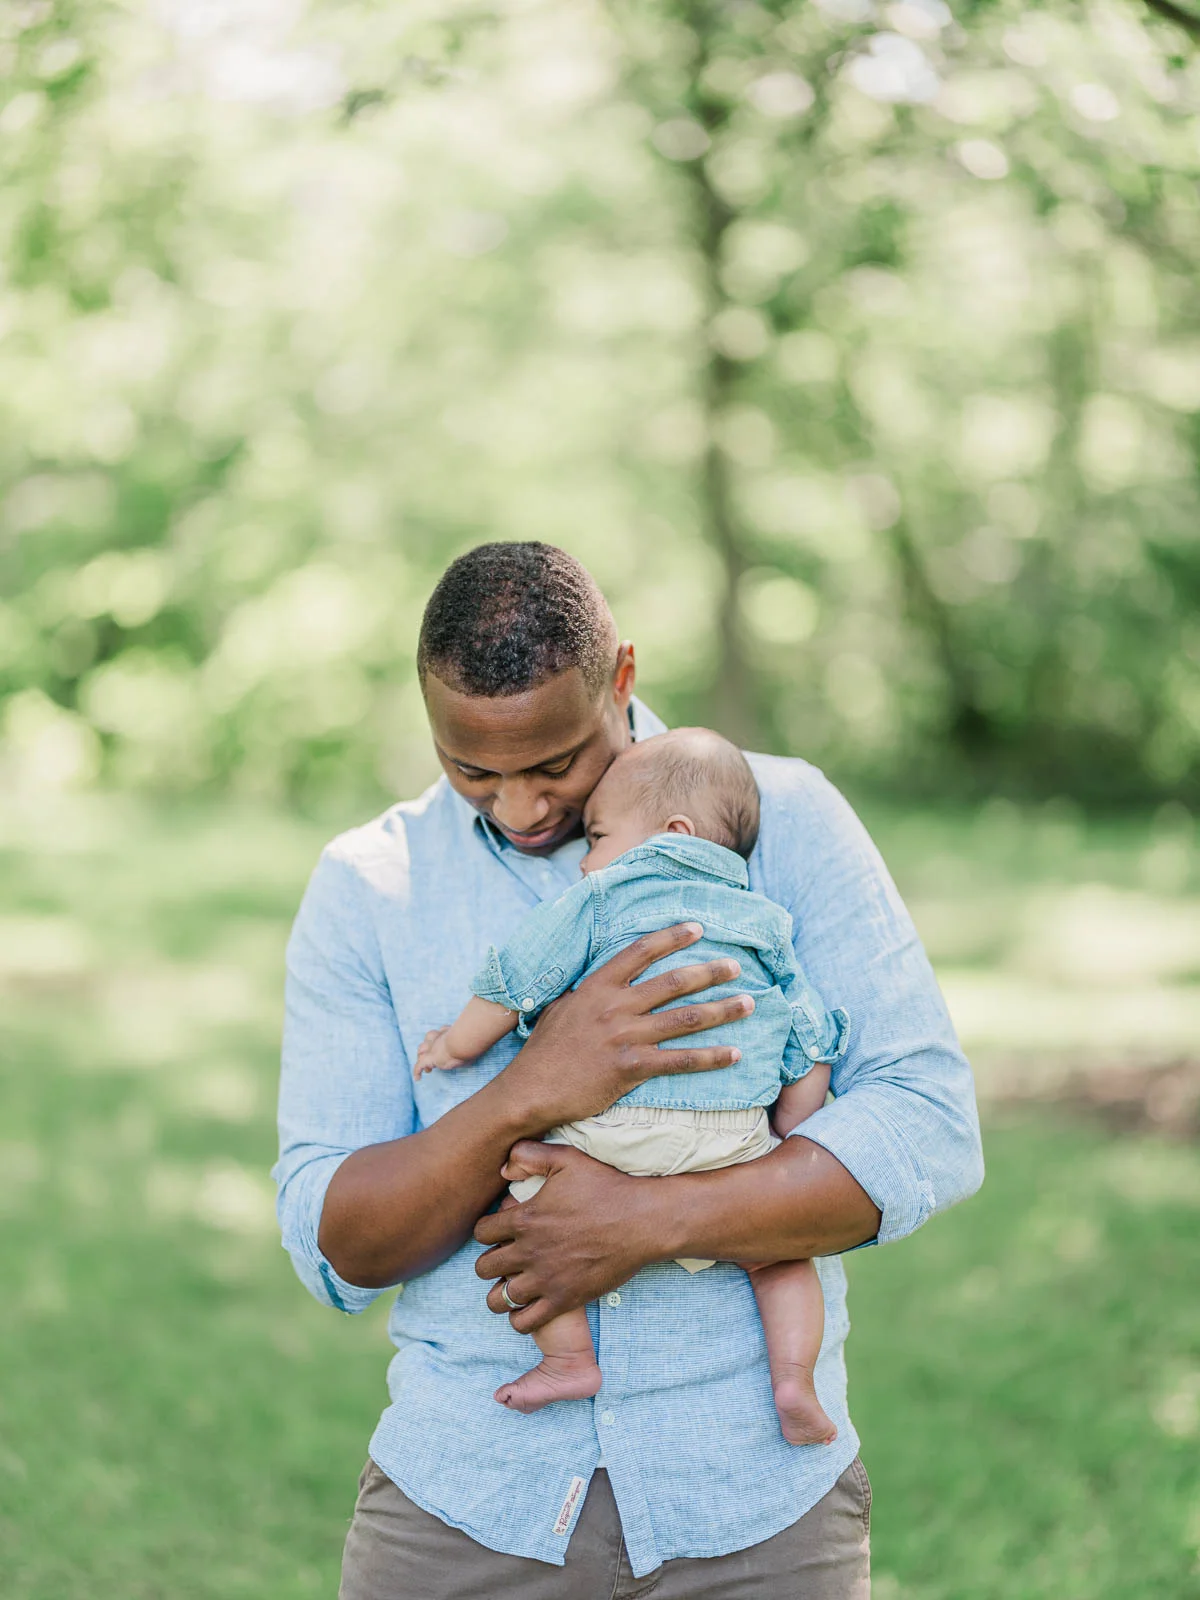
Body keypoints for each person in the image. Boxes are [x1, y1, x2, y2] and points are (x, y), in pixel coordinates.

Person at [274, 541, 984, 1599]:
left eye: (554, 764)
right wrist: (533, 1085)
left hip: (756, 1505)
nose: (519, 808)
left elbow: (927, 1127)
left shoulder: (783, 817)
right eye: (472, 770)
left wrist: (648, 1220)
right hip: (466, 1502)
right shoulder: (369, 884)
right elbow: (336, 1238)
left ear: (622, 678)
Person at [415, 726, 848, 1446]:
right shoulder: (764, 920)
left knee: (523, 1194)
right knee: (781, 1258)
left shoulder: (612, 893)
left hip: (618, 1126)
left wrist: (459, 1043)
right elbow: (807, 1031)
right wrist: (790, 1129)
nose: (588, 858)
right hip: (735, 1135)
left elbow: (524, 970)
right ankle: (794, 1379)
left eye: (599, 835)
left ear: (670, 834)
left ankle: (568, 1360)